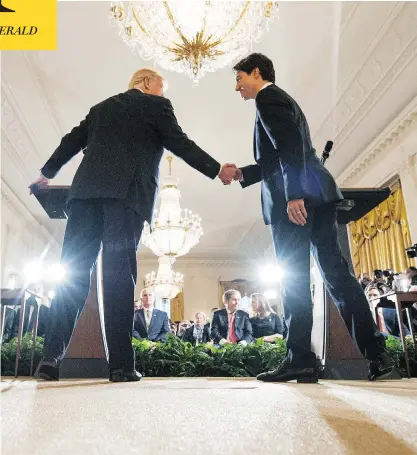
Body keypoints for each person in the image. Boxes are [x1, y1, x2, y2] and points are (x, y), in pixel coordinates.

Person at [29, 68, 237, 383]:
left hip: (84, 198)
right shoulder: (157, 106)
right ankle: (122, 366)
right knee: (118, 278)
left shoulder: (101, 109)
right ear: (145, 83)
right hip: (125, 200)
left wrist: (47, 172)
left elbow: (71, 141)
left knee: (71, 276)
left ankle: (50, 360)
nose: (163, 94)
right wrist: (216, 168)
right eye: (161, 87)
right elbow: (179, 142)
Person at [227, 53, 397, 383]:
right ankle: (378, 355)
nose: (237, 87)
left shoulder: (267, 98)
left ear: (257, 73)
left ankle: (300, 359)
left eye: (239, 79)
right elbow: (282, 155)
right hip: (318, 191)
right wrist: (243, 173)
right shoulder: (279, 100)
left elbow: (290, 148)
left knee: (293, 280)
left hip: (299, 198)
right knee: (337, 275)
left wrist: (293, 195)